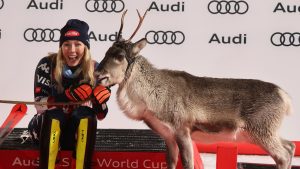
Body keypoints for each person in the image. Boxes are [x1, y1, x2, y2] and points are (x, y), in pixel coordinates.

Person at [28, 19, 111, 169]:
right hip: (46, 129)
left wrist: (100, 102)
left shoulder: (94, 69)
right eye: (66, 44)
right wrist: (67, 96)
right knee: (54, 114)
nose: (72, 50)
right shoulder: (47, 64)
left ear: (85, 47)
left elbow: (101, 115)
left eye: (78, 44)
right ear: (61, 47)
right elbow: (39, 104)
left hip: (75, 133)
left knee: (87, 115)